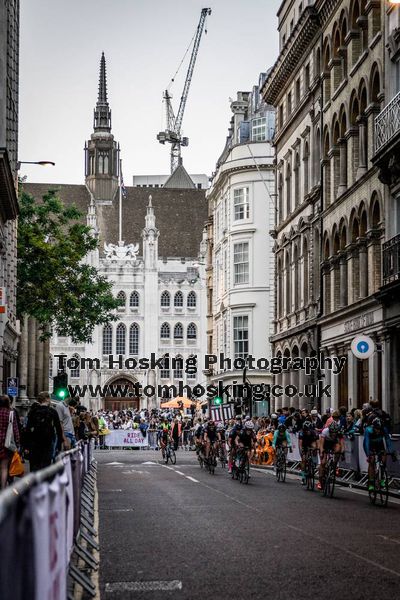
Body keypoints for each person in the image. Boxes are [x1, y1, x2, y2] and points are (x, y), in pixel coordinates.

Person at [25, 391, 63, 472]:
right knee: (46, 466)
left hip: (34, 442)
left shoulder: (33, 411)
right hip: (48, 442)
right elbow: (58, 429)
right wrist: (59, 444)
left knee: (35, 466)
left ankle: (34, 483)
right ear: (47, 399)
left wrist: (26, 446)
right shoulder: (52, 411)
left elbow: (27, 429)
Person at [363, 417, 395, 492]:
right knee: (372, 461)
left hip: (379, 445)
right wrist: (368, 454)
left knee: (383, 461)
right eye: (377, 429)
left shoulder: (384, 429)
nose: (378, 431)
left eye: (379, 429)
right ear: (373, 427)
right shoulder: (368, 430)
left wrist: (391, 451)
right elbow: (366, 443)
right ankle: (371, 482)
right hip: (370, 445)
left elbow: (387, 440)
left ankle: (382, 479)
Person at [0, 395, 20, 489]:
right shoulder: (11, 413)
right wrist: (17, 442)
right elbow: (15, 429)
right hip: (6, 444)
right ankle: (3, 488)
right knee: (4, 467)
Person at [318, 421, 344, 490]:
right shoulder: (325, 431)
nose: (333, 434)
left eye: (335, 432)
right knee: (323, 463)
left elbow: (342, 444)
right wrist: (321, 452)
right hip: (326, 443)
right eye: (332, 432)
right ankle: (320, 480)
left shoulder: (339, 432)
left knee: (338, 449)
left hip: (334, 443)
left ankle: (335, 464)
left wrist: (342, 453)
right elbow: (321, 445)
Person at [298, 421, 319, 486]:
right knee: (304, 459)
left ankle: (313, 463)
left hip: (311, 442)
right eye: (306, 431)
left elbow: (317, 442)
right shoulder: (301, 433)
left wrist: (316, 449)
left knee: (314, 447)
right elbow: (300, 444)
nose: (307, 432)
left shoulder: (314, 433)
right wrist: (301, 450)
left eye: (308, 430)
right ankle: (303, 477)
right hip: (304, 444)